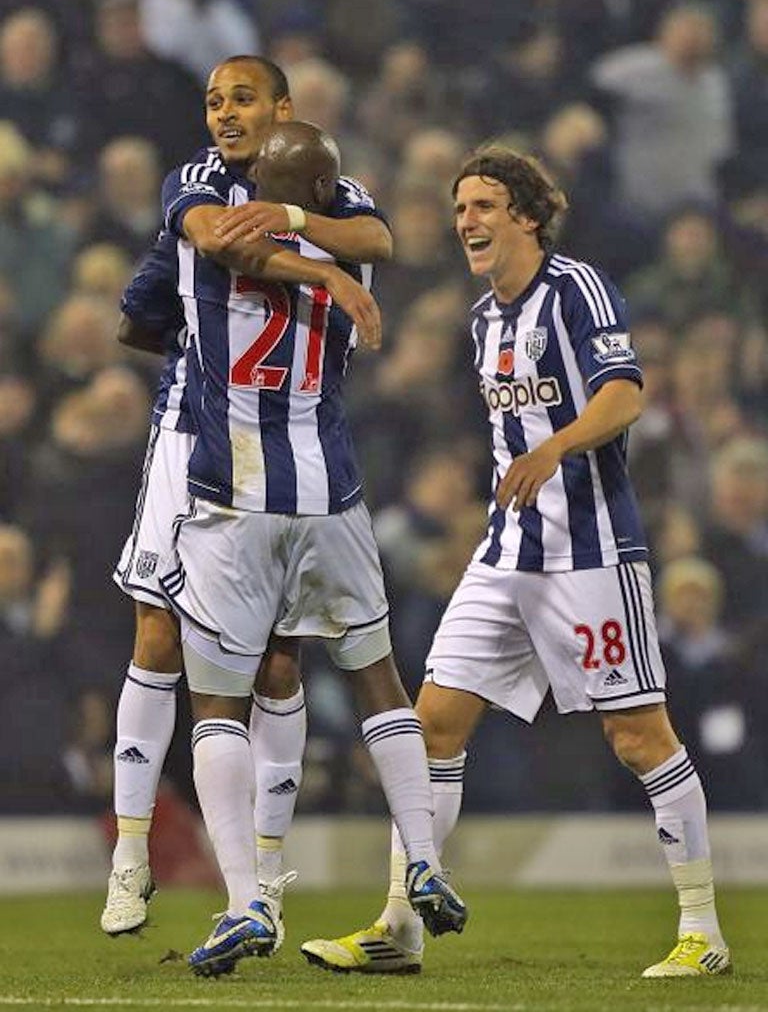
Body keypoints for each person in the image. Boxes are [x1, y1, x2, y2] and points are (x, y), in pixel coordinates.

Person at [301, 146, 731, 979]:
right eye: (460, 207)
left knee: (637, 735)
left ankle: (702, 929)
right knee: (429, 729)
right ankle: (399, 927)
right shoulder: (480, 320)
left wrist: (557, 449)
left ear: (527, 215)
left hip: (592, 553)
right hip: (504, 554)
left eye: (485, 205)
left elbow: (626, 391)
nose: (467, 220)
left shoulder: (576, 289)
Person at [159, 112, 466, 976]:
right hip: (332, 496)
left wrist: (282, 225)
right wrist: (338, 280)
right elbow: (374, 235)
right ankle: (426, 865)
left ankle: (248, 899)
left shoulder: (215, 202)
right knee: (379, 681)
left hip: (236, 500)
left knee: (216, 701)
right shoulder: (348, 238)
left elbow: (233, 245)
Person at [101, 54, 394, 942]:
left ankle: (264, 873)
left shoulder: (335, 189)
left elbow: (380, 240)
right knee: (158, 633)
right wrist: (324, 273)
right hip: (192, 432)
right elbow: (213, 241)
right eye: (214, 101)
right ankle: (131, 855)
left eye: (241, 100)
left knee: (278, 662)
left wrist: (314, 230)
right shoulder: (196, 177)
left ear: (282, 108)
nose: (224, 113)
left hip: (295, 446)